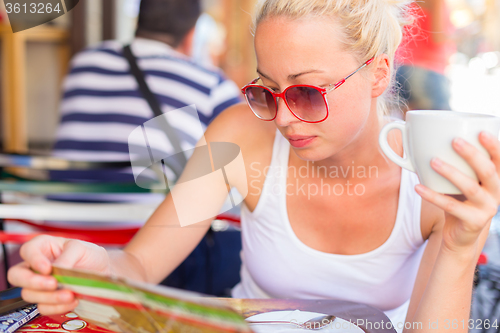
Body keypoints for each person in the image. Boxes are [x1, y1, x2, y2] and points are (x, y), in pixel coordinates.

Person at [8, 0, 500, 332]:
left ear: (377, 72)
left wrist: (461, 246)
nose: (283, 118)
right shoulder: (240, 135)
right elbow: (138, 264)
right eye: (267, 90)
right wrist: (97, 265)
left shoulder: (434, 175)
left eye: (307, 92)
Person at [51, 0, 241, 183]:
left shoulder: (83, 62)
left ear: (138, 21)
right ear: (192, 36)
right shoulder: (211, 84)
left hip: (61, 210)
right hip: (148, 214)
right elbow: (249, 155)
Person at [395, 0, 456, 113]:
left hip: (403, 68)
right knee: (443, 124)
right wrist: (458, 35)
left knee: (411, 125)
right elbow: (437, 37)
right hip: (426, 71)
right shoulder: (437, 1)